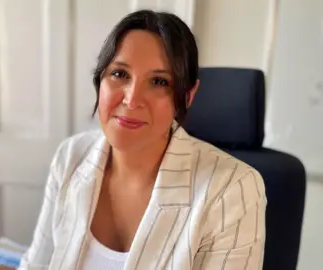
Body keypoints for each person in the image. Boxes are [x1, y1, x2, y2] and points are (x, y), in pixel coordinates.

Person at [19, 10, 266, 270]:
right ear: (100, 79)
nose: (132, 99)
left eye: (159, 81)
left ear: (188, 96)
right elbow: (36, 264)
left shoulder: (232, 189)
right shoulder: (71, 156)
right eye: (119, 74)